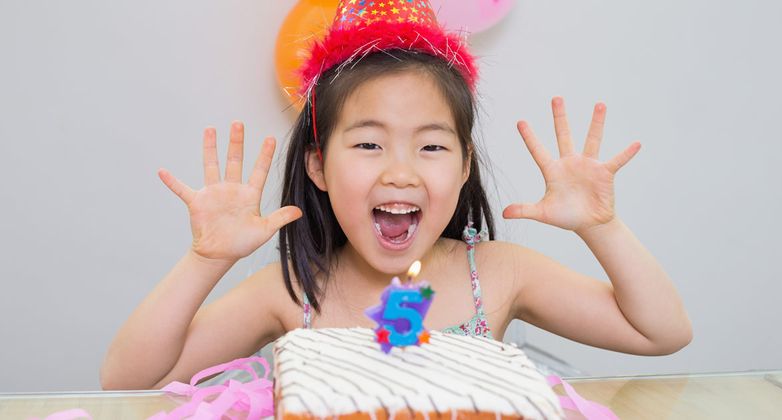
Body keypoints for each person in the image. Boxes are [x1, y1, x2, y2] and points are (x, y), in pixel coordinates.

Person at [100, 0, 691, 390]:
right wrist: (205, 261)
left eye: (431, 147)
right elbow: (125, 382)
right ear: (318, 167)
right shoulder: (295, 287)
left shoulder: (501, 273)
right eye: (368, 145)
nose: (401, 173)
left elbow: (661, 333)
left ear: (464, 169)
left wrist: (600, 226)